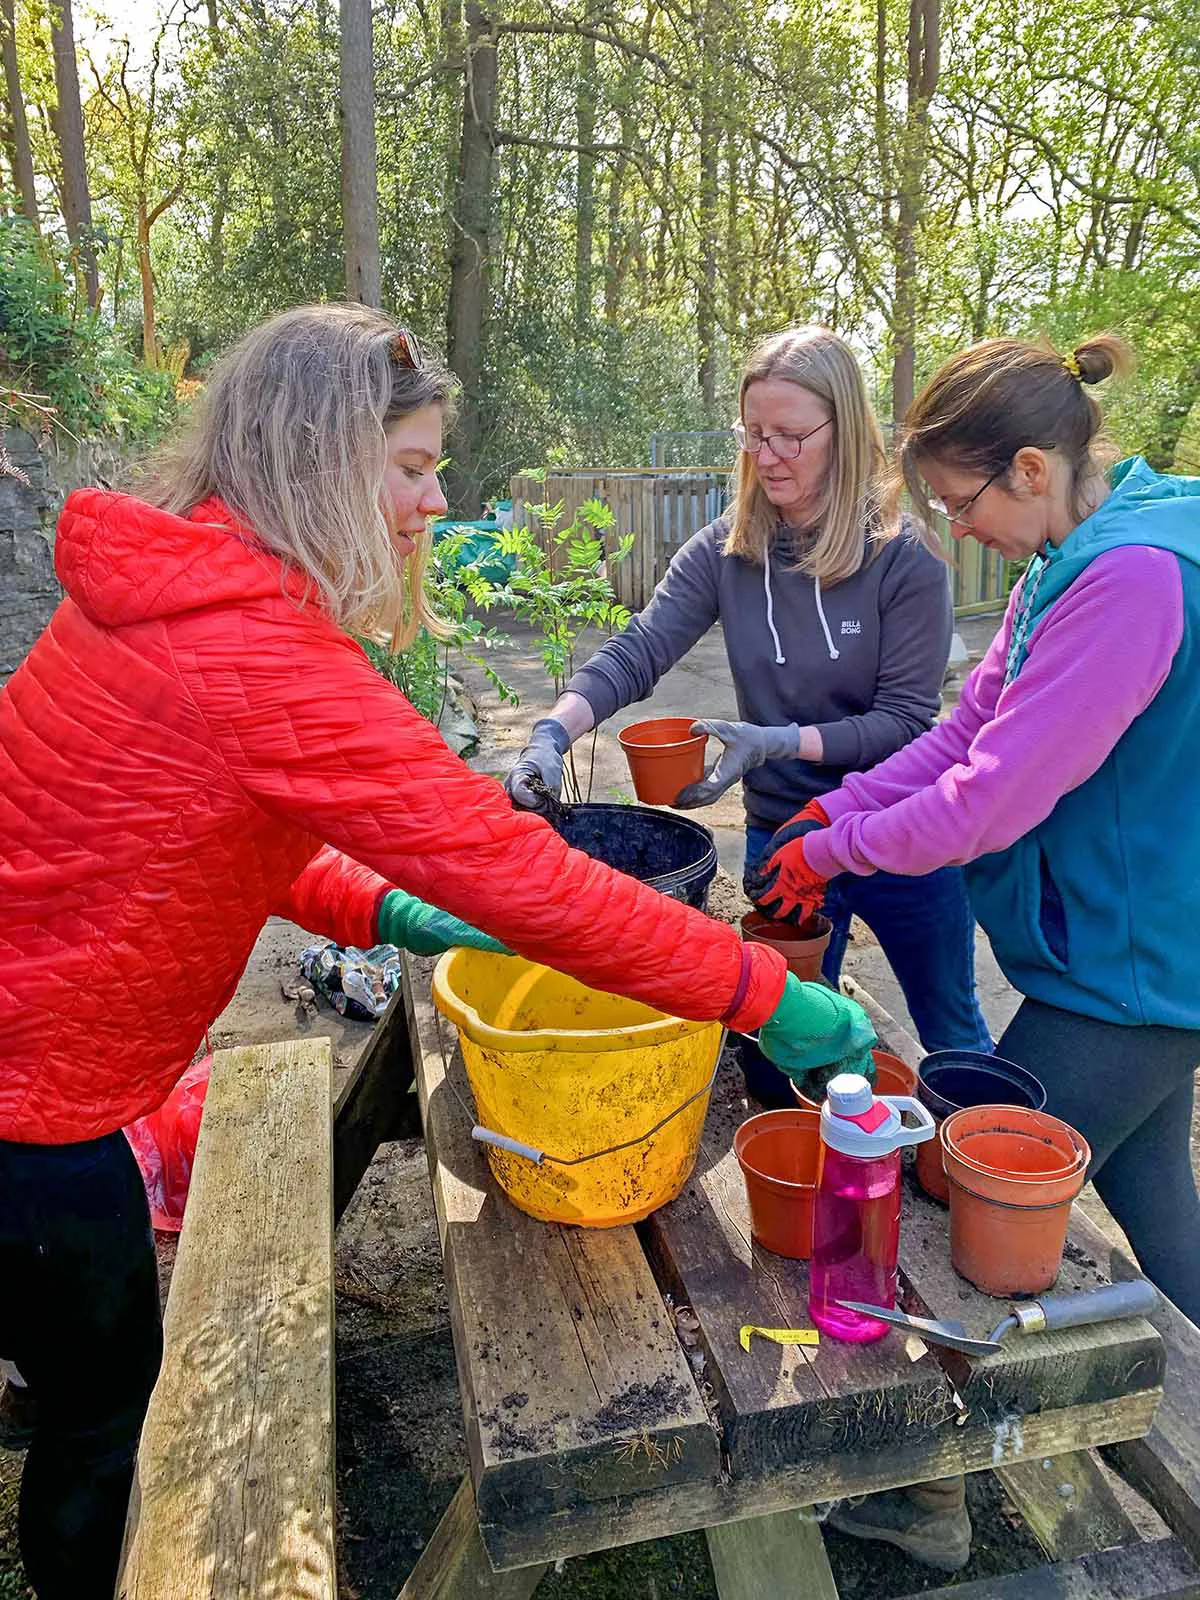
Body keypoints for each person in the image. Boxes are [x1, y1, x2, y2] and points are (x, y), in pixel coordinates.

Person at [0, 303, 873, 1599]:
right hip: (33, 1118)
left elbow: (203, 834)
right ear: (321, 463)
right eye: (412, 467)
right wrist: (764, 995)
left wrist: (389, 910)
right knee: (103, 1416)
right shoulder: (254, 648)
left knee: (87, 1372)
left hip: (41, 1077)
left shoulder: (183, 595)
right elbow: (527, 879)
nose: (437, 499)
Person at [751, 332, 1200, 1567]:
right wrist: (835, 808)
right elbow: (961, 737)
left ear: (1032, 469)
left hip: (1133, 973)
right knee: (1157, 1206)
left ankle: (925, 1499)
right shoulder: (1073, 557)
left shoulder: (1131, 581)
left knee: (964, 1200)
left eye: (963, 503)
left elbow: (987, 801)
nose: (959, 530)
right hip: (1132, 956)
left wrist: (836, 854)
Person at [506, 325, 991, 1072]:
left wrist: (777, 742)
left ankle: (981, 1140)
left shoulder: (904, 556)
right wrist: (551, 733)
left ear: (845, 431)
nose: (767, 457)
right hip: (784, 836)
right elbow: (638, 651)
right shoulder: (725, 550)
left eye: (791, 436)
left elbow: (902, 724)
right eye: (754, 434)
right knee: (779, 1054)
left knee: (951, 1032)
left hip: (899, 833)